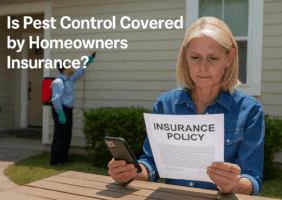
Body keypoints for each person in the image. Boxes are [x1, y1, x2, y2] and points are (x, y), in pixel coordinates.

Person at [107, 16, 265, 196]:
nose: (203, 67)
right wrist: (131, 172)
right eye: (195, 57)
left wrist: (235, 184)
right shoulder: (165, 104)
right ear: (185, 57)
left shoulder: (250, 110)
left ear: (229, 58)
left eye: (213, 58)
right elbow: (151, 164)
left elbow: (252, 178)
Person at [50, 55, 94, 167]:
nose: (72, 66)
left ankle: (63, 158)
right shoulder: (59, 82)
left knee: (67, 134)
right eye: (70, 65)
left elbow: (79, 72)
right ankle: (55, 160)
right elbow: (55, 99)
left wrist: (88, 62)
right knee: (59, 135)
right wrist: (60, 113)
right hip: (61, 110)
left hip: (68, 110)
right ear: (65, 69)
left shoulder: (70, 80)